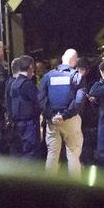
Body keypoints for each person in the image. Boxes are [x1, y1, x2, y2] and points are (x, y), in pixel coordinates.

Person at [38, 48, 84, 177]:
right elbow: (78, 101)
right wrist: (64, 115)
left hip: (52, 122)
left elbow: (41, 99)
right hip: (70, 121)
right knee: (73, 154)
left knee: (52, 154)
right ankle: (75, 188)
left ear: (63, 58)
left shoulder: (47, 76)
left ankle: (49, 189)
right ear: (75, 61)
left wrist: (51, 115)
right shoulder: (77, 76)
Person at [9, 55, 40, 158]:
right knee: (30, 153)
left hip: (17, 124)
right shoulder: (28, 84)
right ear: (30, 66)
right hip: (29, 124)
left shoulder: (14, 83)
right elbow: (38, 101)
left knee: (19, 152)